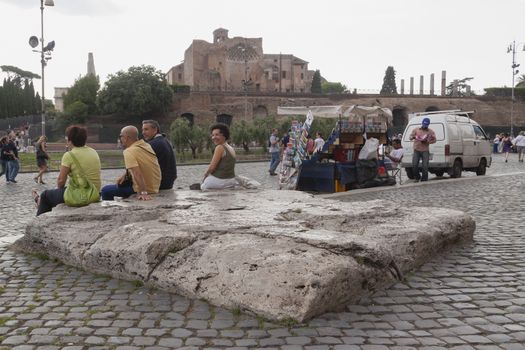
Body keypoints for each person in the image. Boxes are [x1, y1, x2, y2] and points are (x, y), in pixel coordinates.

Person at [32, 125, 101, 216]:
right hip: (95, 193)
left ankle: (40, 219)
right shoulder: (93, 151)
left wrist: (58, 193)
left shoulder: (69, 155)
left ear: (70, 141)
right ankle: (39, 201)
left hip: (81, 195)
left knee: (45, 195)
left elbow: (61, 182)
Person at [101, 126, 160, 201]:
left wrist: (143, 192)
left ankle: (108, 208)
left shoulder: (129, 151)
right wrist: (125, 175)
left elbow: (137, 173)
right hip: (154, 187)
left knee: (105, 190)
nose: (120, 139)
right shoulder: (146, 145)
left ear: (126, 137)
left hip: (143, 189)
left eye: (120, 136)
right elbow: (143, 165)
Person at [142, 119, 177, 190]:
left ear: (155, 130)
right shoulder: (165, 141)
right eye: (143, 130)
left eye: (146, 129)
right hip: (168, 182)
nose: (143, 132)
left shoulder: (153, 144)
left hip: (160, 184)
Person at [201, 123, 237, 190]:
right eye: (213, 135)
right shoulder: (231, 148)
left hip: (221, 181)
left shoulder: (220, 147)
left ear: (224, 135)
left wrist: (205, 176)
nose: (214, 137)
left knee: (203, 186)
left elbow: (212, 167)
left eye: (217, 135)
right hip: (231, 181)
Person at [409, 117, 436, 182]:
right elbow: (410, 137)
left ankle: (424, 179)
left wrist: (428, 141)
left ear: (428, 125)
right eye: (424, 125)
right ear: (422, 123)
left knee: (425, 166)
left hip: (425, 150)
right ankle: (417, 177)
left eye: (426, 125)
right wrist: (413, 137)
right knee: (414, 164)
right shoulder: (416, 129)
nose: (424, 126)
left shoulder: (431, 131)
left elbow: (434, 140)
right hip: (416, 149)